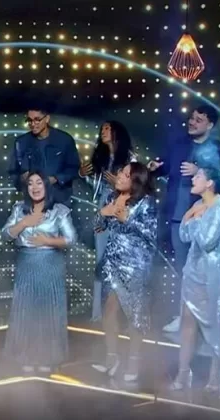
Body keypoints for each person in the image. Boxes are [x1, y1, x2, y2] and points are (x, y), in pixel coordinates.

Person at [147, 105, 220, 333]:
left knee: (204, 271)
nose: (192, 122)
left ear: (210, 125)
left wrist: (199, 170)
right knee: (183, 269)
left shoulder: (218, 150)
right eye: (191, 118)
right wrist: (155, 167)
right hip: (178, 216)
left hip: (206, 218)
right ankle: (184, 315)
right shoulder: (179, 145)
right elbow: (166, 167)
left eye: (199, 119)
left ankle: (207, 320)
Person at [2, 172, 77, 373]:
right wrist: (24, 223)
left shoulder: (59, 210)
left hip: (51, 265)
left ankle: (48, 358)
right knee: (26, 311)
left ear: (46, 186)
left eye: (39, 183)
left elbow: (71, 239)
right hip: (26, 266)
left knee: (48, 310)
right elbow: (5, 235)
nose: (34, 187)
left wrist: (47, 241)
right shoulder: (19, 209)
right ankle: (25, 356)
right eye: (30, 184)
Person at [169, 165, 220, 392]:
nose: (193, 179)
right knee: (188, 320)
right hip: (194, 269)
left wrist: (194, 219)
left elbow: (207, 242)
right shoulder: (198, 204)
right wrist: (189, 215)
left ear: (209, 183)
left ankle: (216, 373)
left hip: (214, 270)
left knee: (216, 320)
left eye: (198, 176)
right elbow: (184, 235)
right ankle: (183, 372)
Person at [91, 163, 158, 382]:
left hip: (135, 264)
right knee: (109, 310)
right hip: (112, 262)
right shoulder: (112, 197)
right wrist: (102, 213)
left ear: (136, 180)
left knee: (135, 315)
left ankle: (134, 362)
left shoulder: (146, 203)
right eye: (121, 172)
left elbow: (151, 234)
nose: (119, 176)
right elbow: (98, 226)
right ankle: (112, 358)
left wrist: (126, 220)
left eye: (126, 175)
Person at [78, 120, 137, 321]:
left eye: (107, 128)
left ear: (117, 133)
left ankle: (123, 313)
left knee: (121, 261)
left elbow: (137, 188)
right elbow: (96, 187)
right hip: (104, 210)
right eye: (101, 128)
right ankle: (98, 313)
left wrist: (118, 185)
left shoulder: (129, 158)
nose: (103, 131)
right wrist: (82, 175)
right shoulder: (100, 159)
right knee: (101, 261)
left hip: (122, 210)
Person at [9, 105, 81, 206]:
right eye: (29, 120)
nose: (33, 124)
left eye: (37, 120)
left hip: (59, 199)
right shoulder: (21, 142)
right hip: (32, 200)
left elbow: (74, 168)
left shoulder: (64, 140)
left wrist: (57, 178)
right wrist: (21, 179)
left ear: (47, 119)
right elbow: (13, 172)